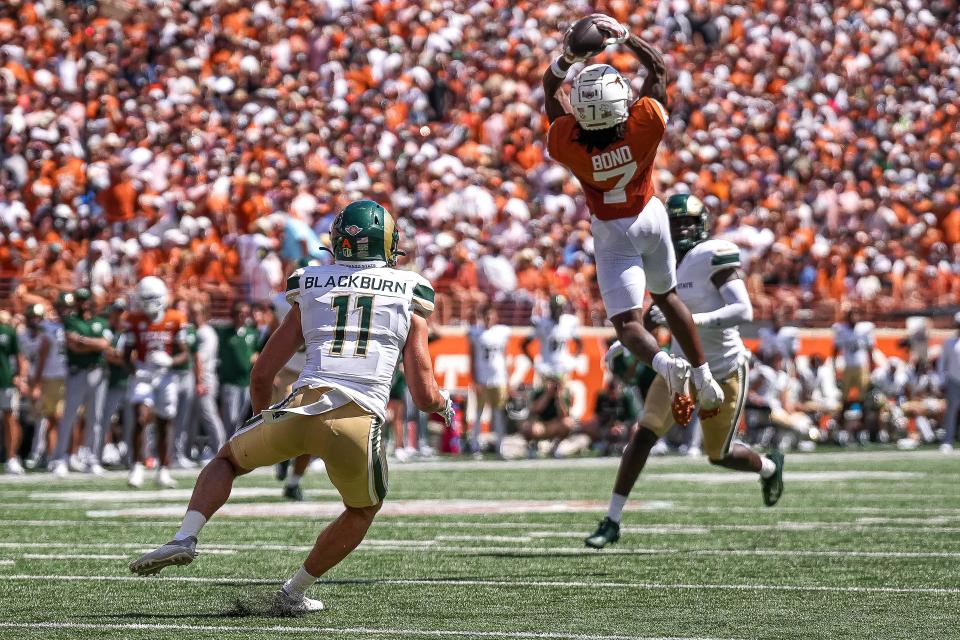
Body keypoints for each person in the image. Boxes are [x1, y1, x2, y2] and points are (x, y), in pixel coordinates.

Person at [129, 200, 454, 614]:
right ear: (388, 243)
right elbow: (423, 392)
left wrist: (260, 417)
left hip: (300, 408)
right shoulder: (412, 289)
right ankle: (292, 592)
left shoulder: (312, 281)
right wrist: (445, 407)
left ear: (338, 241)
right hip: (358, 418)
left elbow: (263, 372)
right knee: (362, 508)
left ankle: (185, 536)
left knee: (227, 460)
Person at [542, 14, 722, 415]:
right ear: (620, 103)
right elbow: (657, 66)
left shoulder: (567, 142)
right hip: (650, 215)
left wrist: (569, 57)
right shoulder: (644, 126)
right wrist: (627, 37)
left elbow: (550, 87)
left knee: (627, 325)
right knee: (668, 296)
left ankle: (664, 364)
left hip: (612, 231)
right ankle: (704, 374)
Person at [585, 194, 784, 549]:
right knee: (643, 435)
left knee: (718, 454)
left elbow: (743, 310)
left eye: (689, 223)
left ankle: (769, 467)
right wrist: (624, 342)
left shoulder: (712, 255)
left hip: (724, 369)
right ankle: (612, 518)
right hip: (679, 369)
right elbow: (649, 314)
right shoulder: (664, 256)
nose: (682, 230)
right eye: (676, 223)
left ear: (703, 224)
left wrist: (693, 321)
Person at [123, 277, 189, 488]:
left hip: (166, 376)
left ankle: (164, 469)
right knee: (141, 418)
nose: (148, 303)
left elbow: (185, 354)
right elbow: (126, 354)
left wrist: (170, 360)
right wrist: (135, 371)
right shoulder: (133, 319)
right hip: (143, 373)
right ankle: (137, 467)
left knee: (164, 423)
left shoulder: (175, 318)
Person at [50, 288, 110, 477]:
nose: (83, 303)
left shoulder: (100, 321)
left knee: (96, 418)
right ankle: (60, 458)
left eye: (86, 299)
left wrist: (83, 341)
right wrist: (91, 345)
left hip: (97, 373)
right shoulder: (70, 320)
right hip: (77, 373)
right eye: (80, 300)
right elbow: (73, 346)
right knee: (69, 416)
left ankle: (92, 459)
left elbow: (104, 345)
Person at [19, 301, 66, 469]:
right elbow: (22, 358)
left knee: (45, 418)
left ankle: (39, 452)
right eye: (31, 317)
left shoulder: (47, 334)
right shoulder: (22, 335)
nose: (34, 321)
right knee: (35, 418)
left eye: (36, 317)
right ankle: (36, 452)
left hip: (43, 378)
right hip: (30, 378)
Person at [468, 306, 511, 457]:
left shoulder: (502, 332)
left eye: (491, 316)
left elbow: (505, 356)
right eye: (486, 316)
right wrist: (474, 379)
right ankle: (475, 446)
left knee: (499, 413)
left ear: (496, 317)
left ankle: (501, 447)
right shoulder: (476, 333)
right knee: (478, 413)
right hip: (482, 378)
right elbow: (472, 357)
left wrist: (508, 378)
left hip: (499, 378)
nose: (489, 319)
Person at [190, 302, 227, 462]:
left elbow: (200, 360)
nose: (193, 316)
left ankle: (219, 449)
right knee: (196, 417)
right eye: (192, 313)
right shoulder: (199, 332)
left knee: (209, 415)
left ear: (204, 315)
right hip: (200, 377)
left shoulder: (205, 333)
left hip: (205, 378)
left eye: (197, 313)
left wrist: (199, 381)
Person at [216, 301, 259, 437]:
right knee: (230, 419)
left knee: (240, 418)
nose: (243, 316)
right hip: (230, 382)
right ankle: (225, 448)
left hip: (246, 382)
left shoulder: (252, 333)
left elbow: (258, 351)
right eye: (240, 313)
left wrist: (255, 356)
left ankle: (234, 448)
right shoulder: (225, 333)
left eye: (245, 313)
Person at [833, 308, 876, 434]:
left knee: (863, 398)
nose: (854, 318)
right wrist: (834, 367)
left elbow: (870, 349)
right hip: (848, 367)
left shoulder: (865, 329)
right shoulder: (841, 329)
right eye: (852, 315)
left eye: (856, 315)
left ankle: (863, 427)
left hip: (862, 367)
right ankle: (841, 425)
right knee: (844, 398)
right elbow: (835, 349)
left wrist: (872, 367)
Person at [522, 295, 583, 379]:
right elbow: (524, 344)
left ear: (563, 308)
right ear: (550, 308)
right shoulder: (542, 323)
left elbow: (580, 343)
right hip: (546, 368)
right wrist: (533, 362)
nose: (557, 311)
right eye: (555, 308)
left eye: (559, 308)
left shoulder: (569, 322)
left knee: (564, 391)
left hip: (563, 367)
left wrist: (574, 358)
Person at [520, 374, 574, 458]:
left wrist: (558, 397)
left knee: (568, 423)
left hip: (555, 424)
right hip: (540, 424)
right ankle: (533, 447)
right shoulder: (538, 392)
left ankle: (556, 447)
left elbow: (564, 415)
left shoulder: (564, 394)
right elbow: (536, 409)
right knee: (526, 427)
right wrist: (547, 395)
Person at [0, 311, 25, 474]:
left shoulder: (7, 331)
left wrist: (20, 377)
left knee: (10, 420)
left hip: (5, 380)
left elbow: (19, 356)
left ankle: (11, 457)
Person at [937, 312, 960, 454]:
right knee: (951, 411)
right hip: (953, 380)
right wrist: (941, 381)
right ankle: (947, 441)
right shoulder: (949, 343)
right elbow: (942, 363)